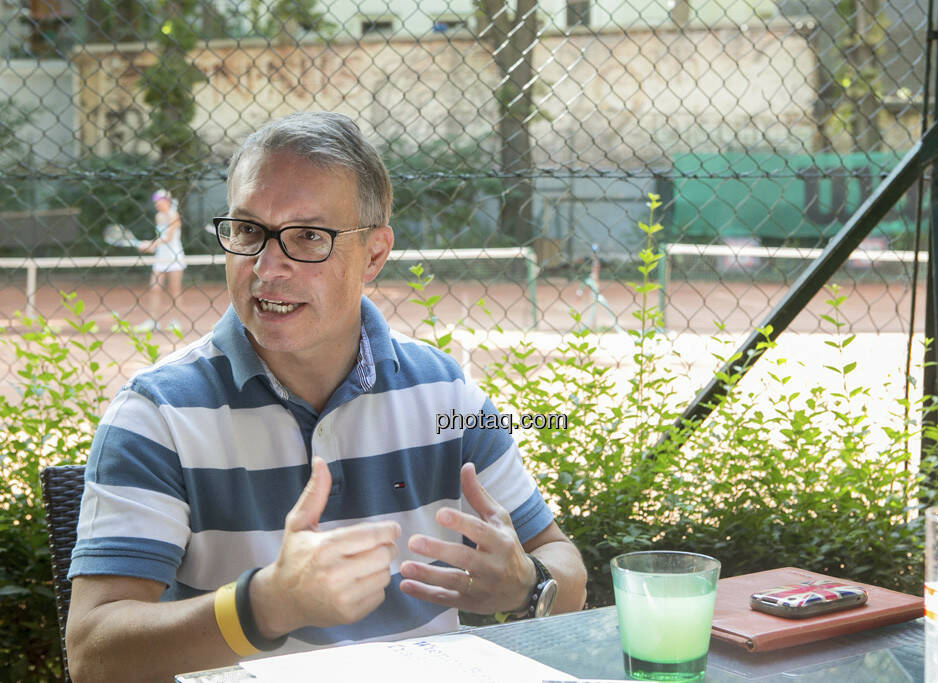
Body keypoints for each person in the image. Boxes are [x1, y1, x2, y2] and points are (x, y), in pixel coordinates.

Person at [65, 111, 587, 682]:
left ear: (374, 254)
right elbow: (94, 653)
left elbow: (565, 566)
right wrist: (262, 606)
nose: (267, 267)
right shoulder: (157, 415)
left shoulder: (445, 392)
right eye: (247, 231)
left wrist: (527, 584)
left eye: (308, 236)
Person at [135, 188, 186, 332]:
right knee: (154, 288)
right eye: (155, 202)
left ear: (166, 201)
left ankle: (176, 322)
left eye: (159, 201)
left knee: (174, 290)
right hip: (160, 257)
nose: (157, 204)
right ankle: (153, 322)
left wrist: (151, 244)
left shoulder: (174, 215)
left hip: (175, 256)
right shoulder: (158, 216)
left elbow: (168, 237)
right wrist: (150, 246)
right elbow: (160, 238)